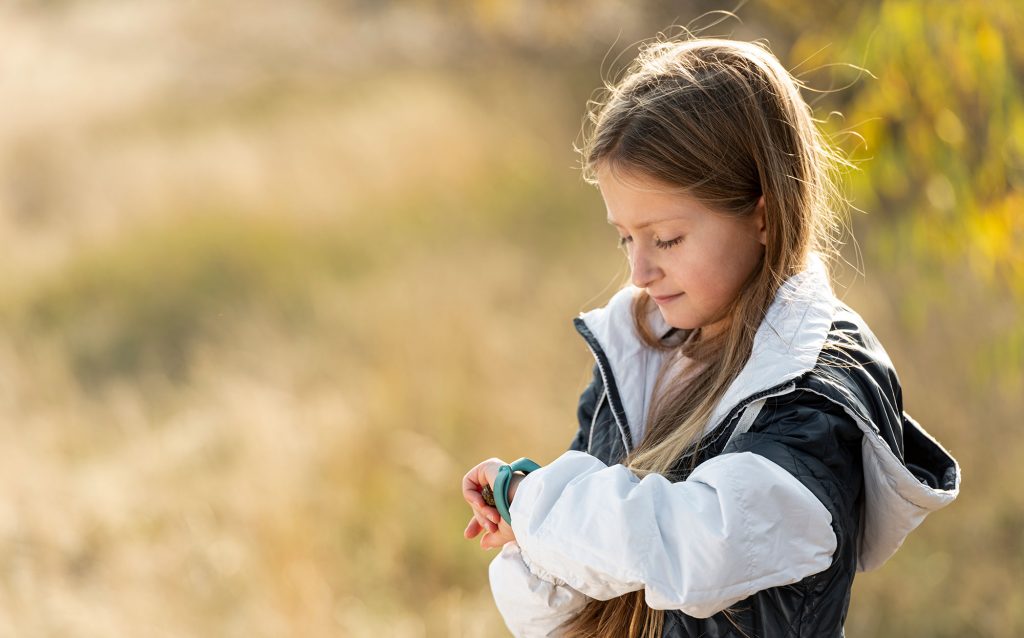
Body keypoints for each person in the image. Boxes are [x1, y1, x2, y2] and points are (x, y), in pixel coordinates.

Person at [460, 36, 961, 638]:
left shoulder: (818, 393)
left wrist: (545, 508)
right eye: (625, 238)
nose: (639, 272)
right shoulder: (639, 355)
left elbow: (699, 546)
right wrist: (526, 532)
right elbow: (576, 607)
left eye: (666, 238)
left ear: (764, 215)